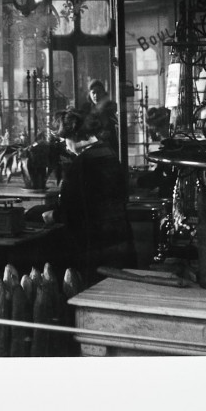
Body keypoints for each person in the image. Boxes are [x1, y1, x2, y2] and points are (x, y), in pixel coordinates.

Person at [41, 108, 135, 283]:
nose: (65, 147)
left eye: (64, 141)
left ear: (74, 137)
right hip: (119, 241)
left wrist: (53, 216)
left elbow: (74, 213)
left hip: (95, 248)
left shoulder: (81, 165)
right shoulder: (109, 154)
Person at [80, 79, 119, 147]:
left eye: (99, 92)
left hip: (110, 144)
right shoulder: (86, 109)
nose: (96, 95)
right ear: (89, 94)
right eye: (93, 92)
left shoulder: (111, 107)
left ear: (103, 93)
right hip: (92, 145)